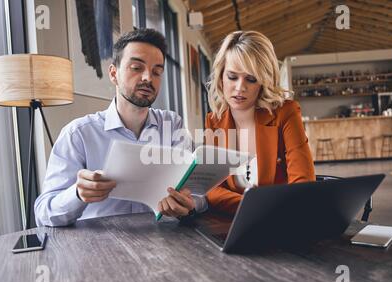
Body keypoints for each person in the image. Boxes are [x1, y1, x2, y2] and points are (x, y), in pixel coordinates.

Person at [35, 29, 206, 227]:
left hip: (164, 243)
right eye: (136, 68)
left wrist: (190, 204)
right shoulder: (79, 134)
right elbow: (44, 214)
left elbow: (198, 194)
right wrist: (77, 193)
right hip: (100, 248)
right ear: (114, 73)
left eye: (157, 71)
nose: (148, 78)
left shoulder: (172, 124)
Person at [204, 30, 315, 214]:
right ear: (221, 76)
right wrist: (251, 207)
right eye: (232, 76)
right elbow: (212, 189)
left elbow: (303, 183)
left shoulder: (286, 113)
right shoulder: (214, 121)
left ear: (263, 81)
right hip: (233, 225)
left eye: (251, 79)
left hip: (283, 220)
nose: (240, 88)